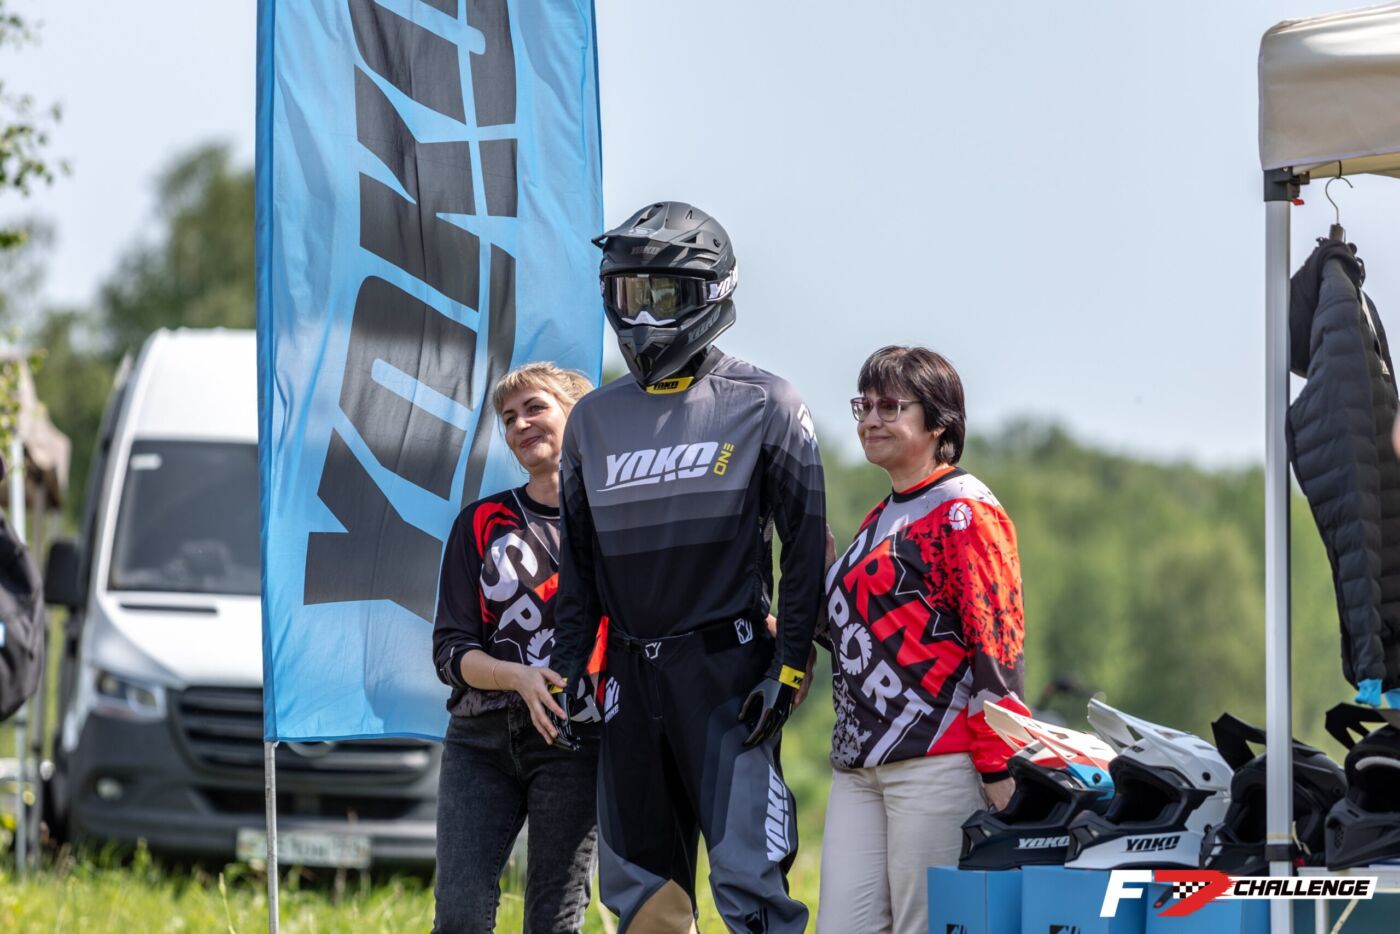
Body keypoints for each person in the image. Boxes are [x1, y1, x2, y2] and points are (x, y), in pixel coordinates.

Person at [549, 201, 826, 933]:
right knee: (643, 898)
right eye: (627, 294)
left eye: (663, 295)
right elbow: (578, 563)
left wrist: (789, 668)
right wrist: (570, 664)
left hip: (726, 679)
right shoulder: (590, 420)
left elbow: (804, 550)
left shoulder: (768, 403)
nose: (643, 316)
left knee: (751, 887)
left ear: (712, 293)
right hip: (627, 680)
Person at [815, 345, 1029, 934]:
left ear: (938, 422)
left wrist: (998, 767)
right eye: (863, 405)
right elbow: (859, 641)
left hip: (938, 759)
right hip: (859, 763)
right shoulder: (879, 517)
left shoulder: (965, 510)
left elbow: (998, 645)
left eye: (890, 406)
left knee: (925, 927)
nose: (871, 420)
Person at [430, 362, 607, 934]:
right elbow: (450, 651)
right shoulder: (481, 523)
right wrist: (519, 677)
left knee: (553, 922)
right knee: (459, 918)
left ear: (577, 416)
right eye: (509, 418)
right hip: (479, 741)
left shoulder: (615, 521)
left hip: (574, 740)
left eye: (535, 408)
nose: (520, 424)